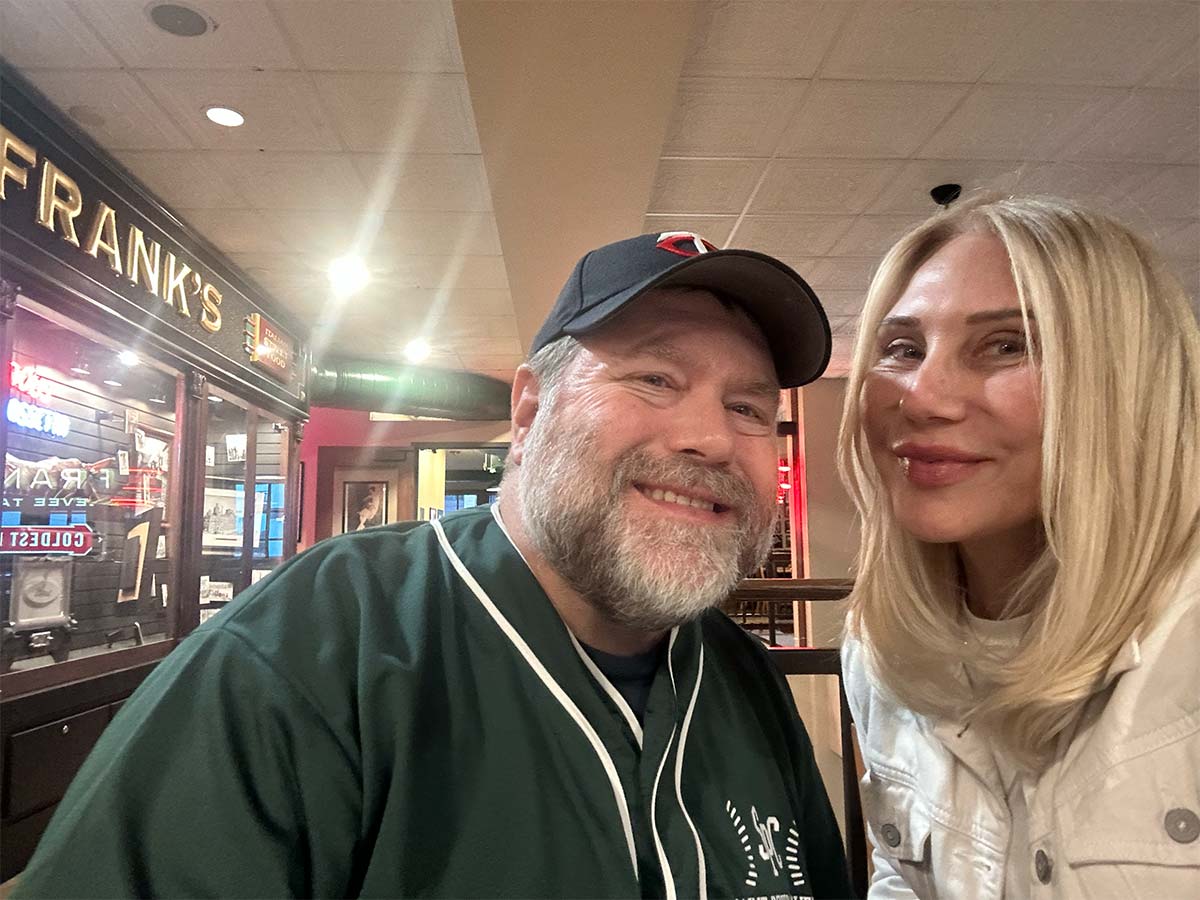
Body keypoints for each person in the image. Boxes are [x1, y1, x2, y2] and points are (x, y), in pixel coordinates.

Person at [17, 232, 853, 899]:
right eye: (656, 377)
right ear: (529, 410)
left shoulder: (744, 681)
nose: (710, 436)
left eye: (748, 406)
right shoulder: (312, 649)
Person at [838, 195, 1200, 898]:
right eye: (902, 348)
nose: (922, 397)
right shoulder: (880, 653)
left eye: (1006, 345)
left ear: (1124, 382)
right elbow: (900, 876)